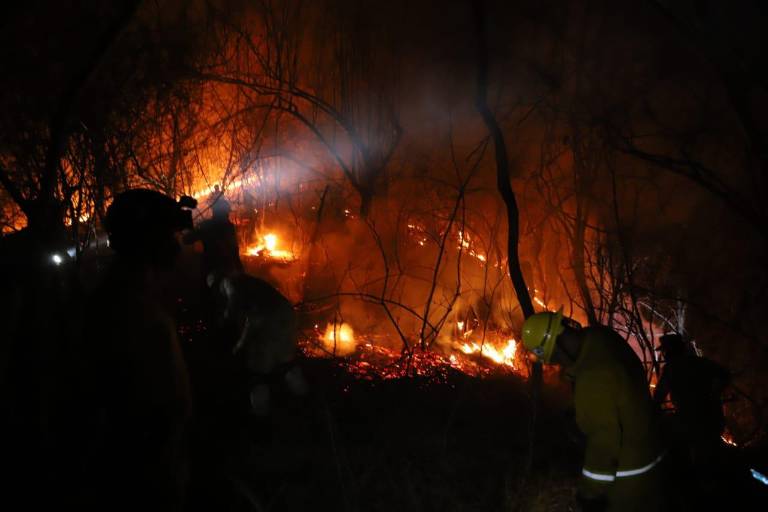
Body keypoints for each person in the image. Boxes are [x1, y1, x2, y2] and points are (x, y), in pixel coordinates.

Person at [70, 189, 196, 511]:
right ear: (150, 242)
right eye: (171, 235)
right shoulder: (132, 311)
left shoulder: (126, 297)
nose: (178, 244)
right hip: (142, 485)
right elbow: (148, 419)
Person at [522, 309, 665, 512]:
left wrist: (589, 493)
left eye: (555, 358)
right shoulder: (602, 337)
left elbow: (604, 443)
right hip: (653, 449)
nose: (558, 364)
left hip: (629, 475)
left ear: (558, 347)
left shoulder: (593, 378)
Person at [653, 333, 730, 481]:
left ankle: (700, 488)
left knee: (694, 457)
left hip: (690, 421)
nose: (663, 354)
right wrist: (715, 393)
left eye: (665, 350)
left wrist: (652, 410)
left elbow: (659, 396)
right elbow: (724, 374)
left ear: (669, 351)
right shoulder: (700, 363)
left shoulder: (671, 369)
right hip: (712, 417)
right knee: (711, 455)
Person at [185, 191, 243, 281]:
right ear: (226, 213)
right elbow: (235, 251)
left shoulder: (206, 225)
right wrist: (240, 271)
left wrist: (192, 228)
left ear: (213, 211)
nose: (228, 215)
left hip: (211, 270)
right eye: (227, 212)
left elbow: (187, 240)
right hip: (226, 270)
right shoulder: (229, 227)